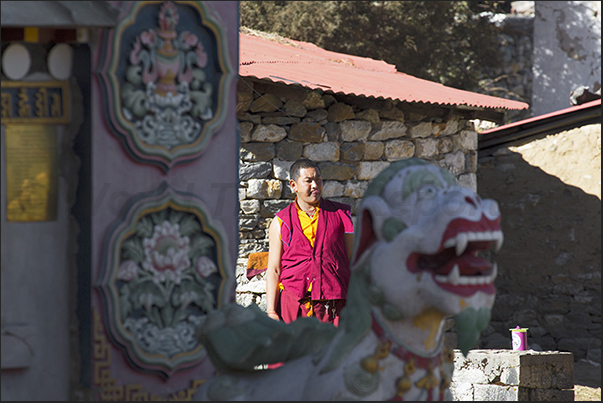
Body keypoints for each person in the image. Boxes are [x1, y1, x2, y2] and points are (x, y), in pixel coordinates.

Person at [265, 158, 354, 326]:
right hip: (293, 305)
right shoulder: (281, 222)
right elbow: (274, 269)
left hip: (332, 306)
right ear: (293, 185)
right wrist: (271, 311)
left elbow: (352, 261)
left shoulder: (341, 215)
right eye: (308, 181)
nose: (315, 185)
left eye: (318, 179)